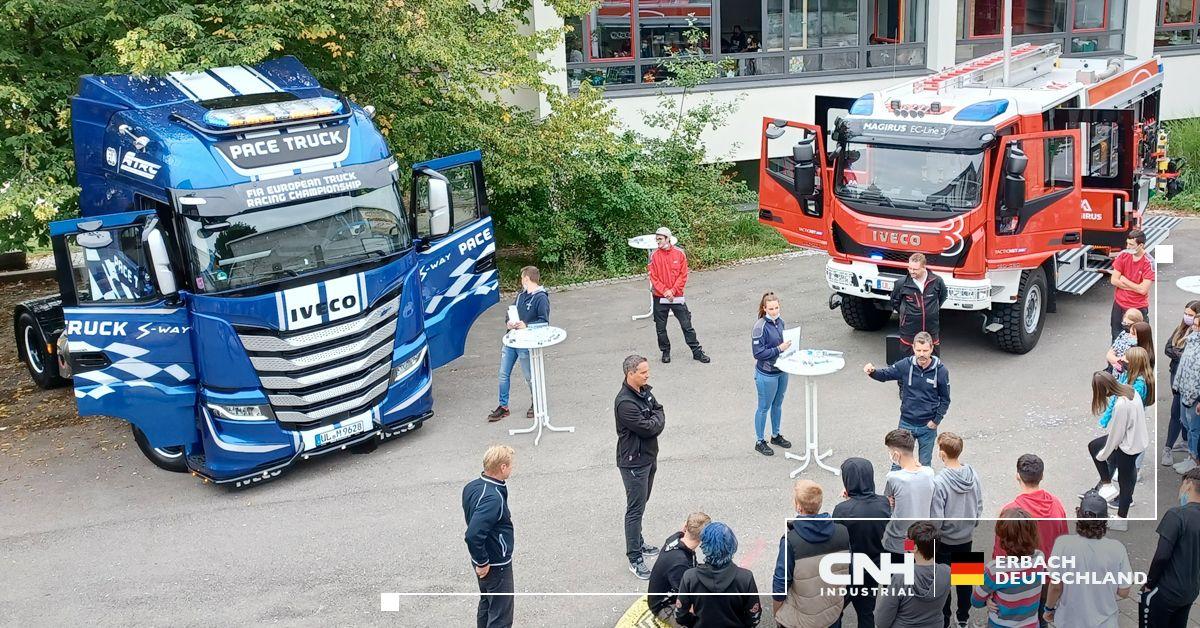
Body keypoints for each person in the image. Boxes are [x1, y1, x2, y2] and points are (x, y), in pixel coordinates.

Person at [1044, 491, 1131, 628]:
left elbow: (1055, 586)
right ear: (1105, 520)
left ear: (1079, 516)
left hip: (1069, 621)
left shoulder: (1063, 544)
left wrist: (1048, 609)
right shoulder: (1117, 549)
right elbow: (1124, 592)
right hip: (1105, 623)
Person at [772, 480, 851, 628]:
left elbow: (780, 585)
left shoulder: (791, 541)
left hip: (801, 619)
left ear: (798, 506)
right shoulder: (842, 532)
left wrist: (778, 614)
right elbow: (848, 572)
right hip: (831, 616)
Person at [864, 332, 951, 467]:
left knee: (924, 465)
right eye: (918, 350)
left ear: (932, 349)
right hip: (906, 423)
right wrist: (872, 372)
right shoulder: (905, 365)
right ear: (913, 348)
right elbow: (886, 374)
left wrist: (936, 421)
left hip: (928, 426)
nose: (921, 354)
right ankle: (894, 488)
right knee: (898, 463)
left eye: (925, 350)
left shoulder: (941, 371)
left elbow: (945, 399)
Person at [615, 354, 666, 579]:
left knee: (641, 505)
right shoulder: (625, 402)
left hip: (647, 457)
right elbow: (648, 428)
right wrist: (656, 422)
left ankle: (639, 541)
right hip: (634, 463)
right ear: (630, 374)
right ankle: (634, 557)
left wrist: (655, 420)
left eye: (647, 371)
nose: (648, 375)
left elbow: (659, 410)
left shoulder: (644, 391)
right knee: (635, 510)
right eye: (643, 372)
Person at [930, 433, 982, 628]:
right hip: (966, 538)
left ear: (942, 453)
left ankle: (944, 618)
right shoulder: (973, 474)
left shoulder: (939, 482)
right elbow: (979, 503)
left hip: (945, 540)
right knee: (966, 580)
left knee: (944, 583)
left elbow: (936, 517)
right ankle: (963, 617)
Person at [832, 458, 891, 627]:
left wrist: (848, 501)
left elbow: (837, 538)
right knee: (866, 613)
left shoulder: (842, 510)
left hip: (849, 570)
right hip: (873, 567)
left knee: (836, 610)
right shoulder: (884, 503)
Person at [462, 445, 517, 628]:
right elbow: (473, 534)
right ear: (502, 467)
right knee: (501, 616)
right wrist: (483, 561)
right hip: (495, 564)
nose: (512, 468)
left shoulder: (472, 487)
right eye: (510, 464)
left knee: (487, 604)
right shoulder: (493, 498)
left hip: (483, 561)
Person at [1086, 371, 1149, 529]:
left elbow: (1116, 435)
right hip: (1136, 439)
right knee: (1127, 475)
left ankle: (1121, 518)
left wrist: (1104, 455)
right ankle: (1108, 486)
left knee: (1125, 481)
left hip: (1128, 445)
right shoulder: (1129, 390)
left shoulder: (1121, 404)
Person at [1139, 467, 1200, 627]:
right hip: (1190, 591)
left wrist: (1149, 585)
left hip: (1166, 591)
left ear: (1188, 485)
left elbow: (1162, 556)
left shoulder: (1176, 515)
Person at [488, 266, 549, 422]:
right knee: (503, 374)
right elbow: (510, 312)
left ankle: (536, 403)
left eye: (522, 278)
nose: (521, 281)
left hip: (526, 343)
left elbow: (544, 322)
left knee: (529, 376)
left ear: (527, 279)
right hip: (511, 340)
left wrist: (526, 326)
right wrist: (509, 322)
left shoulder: (541, 298)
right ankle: (503, 406)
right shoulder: (521, 295)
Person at [675, 522, 762, 627]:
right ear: (732, 546)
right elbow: (753, 617)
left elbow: (680, 616)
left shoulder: (690, 577)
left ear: (704, 547)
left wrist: (696, 623)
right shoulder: (745, 578)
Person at [972, 509, 1045, 628]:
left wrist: (987, 599)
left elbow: (976, 601)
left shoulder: (995, 570)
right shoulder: (1040, 558)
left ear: (1003, 540)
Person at [647, 227, 710, 365]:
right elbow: (653, 277)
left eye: (660, 238)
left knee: (687, 325)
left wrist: (673, 291)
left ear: (668, 239)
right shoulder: (654, 256)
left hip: (677, 297)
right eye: (656, 239)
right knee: (660, 328)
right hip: (660, 297)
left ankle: (697, 352)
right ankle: (665, 351)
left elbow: (683, 275)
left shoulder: (679, 254)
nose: (657, 241)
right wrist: (665, 291)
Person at [874, 521, 951, 628]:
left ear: (914, 547)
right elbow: (973, 584)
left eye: (907, 539)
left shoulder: (900, 577)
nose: (905, 541)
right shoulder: (947, 572)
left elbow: (881, 621)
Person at [995, 454, 1067, 561]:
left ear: (1018, 476)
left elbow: (1000, 550)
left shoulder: (1009, 512)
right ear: (1042, 476)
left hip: (1023, 572)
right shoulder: (1057, 504)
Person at [881, 429, 936, 560]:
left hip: (899, 540)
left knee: (898, 577)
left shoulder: (893, 478)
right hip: (922, 536)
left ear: (896, 454)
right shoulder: (929, 473)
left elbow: (887, 506)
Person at [751, 292, 793, 456]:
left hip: (782, 370)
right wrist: (779, 349)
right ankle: (759, 441)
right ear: (764, 308)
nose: (774, 311)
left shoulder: (781, 322)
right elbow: (758, 353)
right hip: (767, 374)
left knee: (778, 404)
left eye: (776, 307)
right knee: (763, 407)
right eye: (771, 308)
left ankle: (775, 435)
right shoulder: (759, 327)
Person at [647, 512, 711, 618]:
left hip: (669, 589)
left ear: (685, 527)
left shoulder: (677, 538)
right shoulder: (680, 565)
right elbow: (685, 598)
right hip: (664, 606)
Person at [888, 253, 948, 353]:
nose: (911, 271)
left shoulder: (937, 281)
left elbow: (942, 297)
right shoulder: (901, 283)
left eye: (915, 269)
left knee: (932, 361)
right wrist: (906, 314)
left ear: (924, 267)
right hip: (909, 330)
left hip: (931, 329)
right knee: (908, 361)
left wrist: (932, 311)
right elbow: (894, 301)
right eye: (909, 268)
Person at [1163, 301, 1200, 465]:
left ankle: (1191, 457)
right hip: (1180, 381)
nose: (1192, 325)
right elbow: (1168, 348)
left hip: (1192, 390)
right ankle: (1186, 447)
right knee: (1183, 418)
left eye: (1191, 316)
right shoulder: (1184, 332)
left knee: (1190, 423)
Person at [1107, 228, 1154, 341]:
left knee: (1138, 340)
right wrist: (1136, 287)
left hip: (1137, 307)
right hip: (1119, 304)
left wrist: (1125, 280)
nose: (1128, 247)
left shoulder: (1149, 262)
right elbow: (1114, 280)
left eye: (1131, 244)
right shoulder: (1123, 255)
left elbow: (1143, 290)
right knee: (1116, 336)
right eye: (1127, 243)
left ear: (1141, 245)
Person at [1173, 310, 1200, 474]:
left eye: (1198, 326)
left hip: (1196, 396)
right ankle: (1191, 457)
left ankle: (1195, 460)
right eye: (1195, 325)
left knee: (1194, 428)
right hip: (1185, 390)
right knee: (1186, 423)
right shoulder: (1191, 341)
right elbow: (1183, 365)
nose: (1195, 329)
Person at [1104, 308, 1144, 374]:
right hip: (1117, 375)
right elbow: (1109, 355)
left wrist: (1116, 362)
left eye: (1130, 325)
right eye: (1124, 324)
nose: (1127, 328)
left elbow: (1132, 364)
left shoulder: (1141, 340)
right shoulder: (1123, 335)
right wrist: (1120, 362)